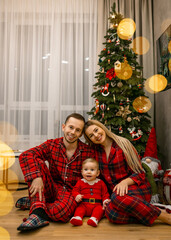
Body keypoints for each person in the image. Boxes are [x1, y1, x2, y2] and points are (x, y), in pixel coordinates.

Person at [84, 119, 171, 226]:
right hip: (118, 197)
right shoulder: (95, 153)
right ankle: (149, 211)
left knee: (116, 197)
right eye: (91, 135)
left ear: (102, 127)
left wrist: (125, 182)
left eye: (96, 130)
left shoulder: (123, 144)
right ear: (90, 140)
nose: (96, 135)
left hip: (137, 188)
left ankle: (162, 216)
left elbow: (140, 173)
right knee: (111, 214)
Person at [17, 113, 95, 231]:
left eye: (78, 130)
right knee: (37, 161)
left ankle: (36, 203)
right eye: (71, 127)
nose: (73, 132)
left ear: (81, 134)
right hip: (51, 187)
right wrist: (37, 177)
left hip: (70, 192)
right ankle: (37, 214)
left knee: (62, 213)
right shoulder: (51, 145)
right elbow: (26, 155)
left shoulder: (87, 152)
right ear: (64, 127)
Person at [70, 158, 110, 227]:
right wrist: (77, 195)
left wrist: (105, 200)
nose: (88, 172)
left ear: (97, 173)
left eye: (92, 170)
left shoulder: (100, 183)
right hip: (84, 204)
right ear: (82, 172)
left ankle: (94, 219)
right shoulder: (80, 182)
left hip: (96, 205)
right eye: (86, 170)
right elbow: (74, 190)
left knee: (100, 209)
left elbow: (105, 194)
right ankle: (77, 218)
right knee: (79, 209)